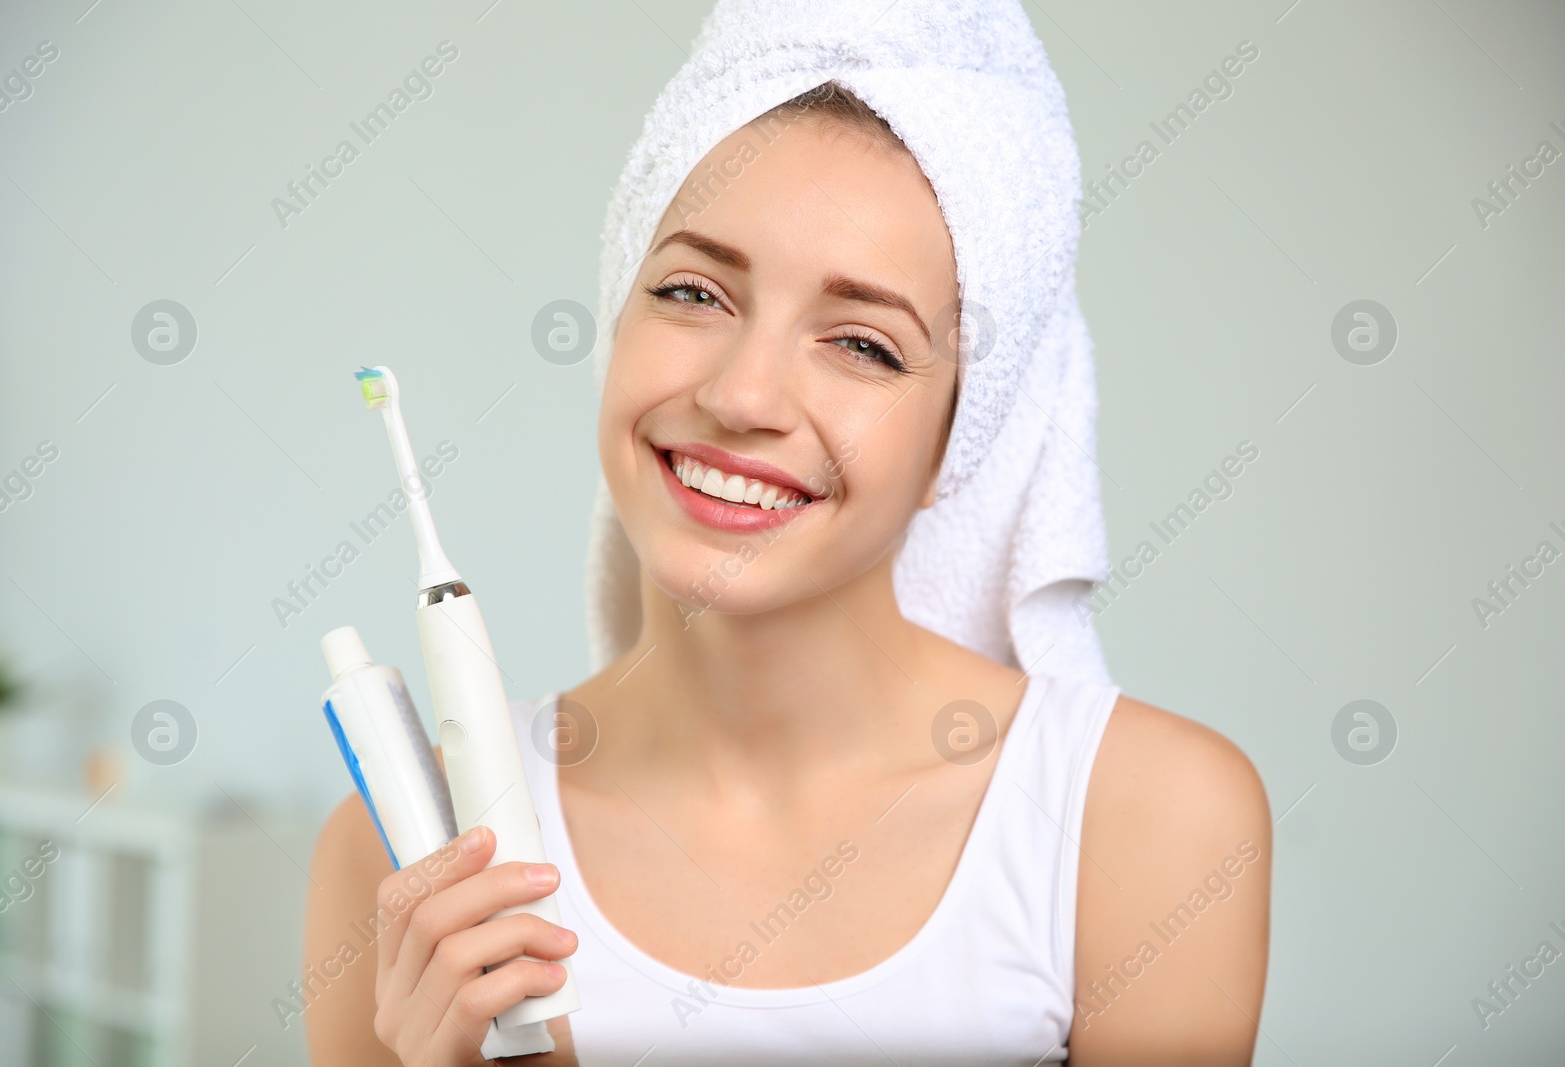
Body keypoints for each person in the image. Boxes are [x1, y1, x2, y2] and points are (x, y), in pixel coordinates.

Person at [303, 4, 1270, 1064]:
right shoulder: (409, 854)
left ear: (964, 433)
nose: (743, 392)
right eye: (691, 291)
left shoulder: (1149, 825)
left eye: (862, 343)